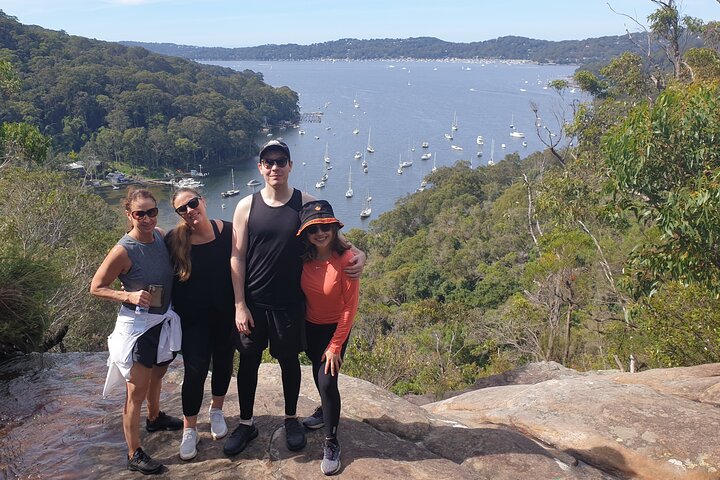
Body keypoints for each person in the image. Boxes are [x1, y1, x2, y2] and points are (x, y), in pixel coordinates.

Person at [225, 139, 365, 457]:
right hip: (254, 301)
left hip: (290, 304)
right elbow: (237, 257)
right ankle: (246, 424)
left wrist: (361, 254)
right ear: (260, 167)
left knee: (289, 361)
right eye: (268, 161)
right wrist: (239, 304)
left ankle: (291, 420)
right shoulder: (247, 206)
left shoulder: (305, 202)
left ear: (290, 165)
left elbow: (336, 239)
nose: (275, 167)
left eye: (281, 161)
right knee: (248, 361)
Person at [91, 188, 182, 475]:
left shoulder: (159, 236)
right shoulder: (123, 250)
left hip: (162, 320)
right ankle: (134, 452)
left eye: (151, 212)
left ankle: (154, 418)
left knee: (159, 372)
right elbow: (96, 287)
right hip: (139, 326)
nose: (147, 218)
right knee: (136, 390)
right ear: (129, 215)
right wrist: (127, 296)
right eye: (140, 213)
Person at [165, 188, 236, 461]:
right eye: (182, 209)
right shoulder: (174, 239)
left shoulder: (229, 231)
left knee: (223, 364)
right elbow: (149, 258)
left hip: (225, 315)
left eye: (192, 203)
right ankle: (190, 428)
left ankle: (216, 410)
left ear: (203, 201)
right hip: (192, 321)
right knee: (194, 373)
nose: (189, 210)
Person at [296, 200, 359, 476]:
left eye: (326, 227)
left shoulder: (346, 260)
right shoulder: (303, 256)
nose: (320, 233)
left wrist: (336, 345)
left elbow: (350, 306)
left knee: (327, 378)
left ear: (334, 228)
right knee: (317, 370)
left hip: (336, 328)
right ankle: (324, 410)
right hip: (310, 327)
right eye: (314, 229)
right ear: (306, 234)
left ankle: (331, 442)